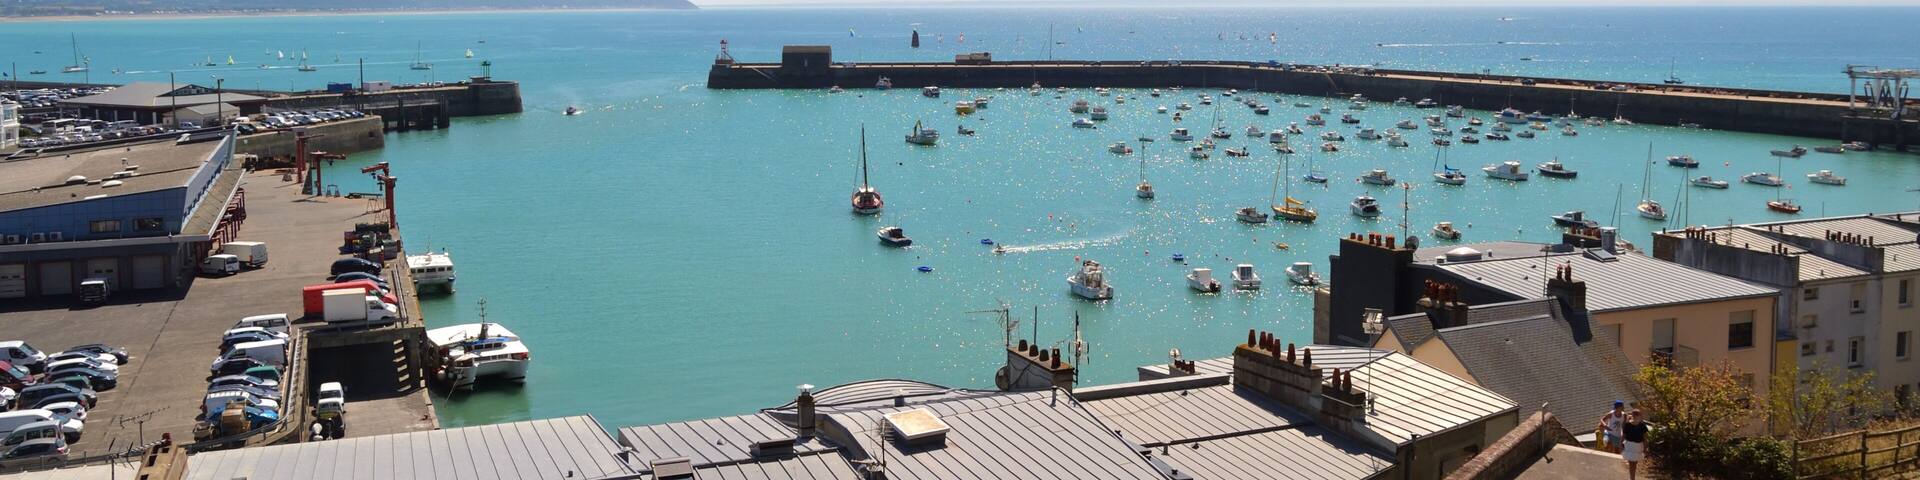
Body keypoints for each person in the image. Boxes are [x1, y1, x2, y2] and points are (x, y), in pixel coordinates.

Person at [1622, 409, 1649, 479]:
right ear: (1634, 415)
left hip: (1638, 446)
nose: (1639, 416)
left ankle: (1632, 477)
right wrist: (1620, 445)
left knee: (1634, 463)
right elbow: (1623, 436)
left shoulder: (1642, 426)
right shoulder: (1627, 425)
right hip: (1630, 446)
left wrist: (1645, 449)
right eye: (1637, 415)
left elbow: (1645, 439)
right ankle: (1632, 478)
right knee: (1631, 463)